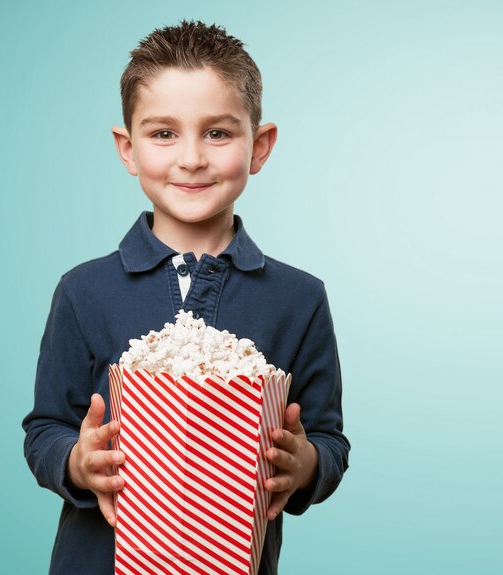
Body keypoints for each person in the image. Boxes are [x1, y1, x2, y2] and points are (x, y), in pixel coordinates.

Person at [23, 20, 349, 575]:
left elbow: (327, 439)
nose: (192, 158)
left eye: (218, 133)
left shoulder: (300, 298)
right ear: (127, 148)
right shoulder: (83, 291)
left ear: (259, 146)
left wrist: (305, 464)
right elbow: (45, 428)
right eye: (164, 133)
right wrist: (78, 462)